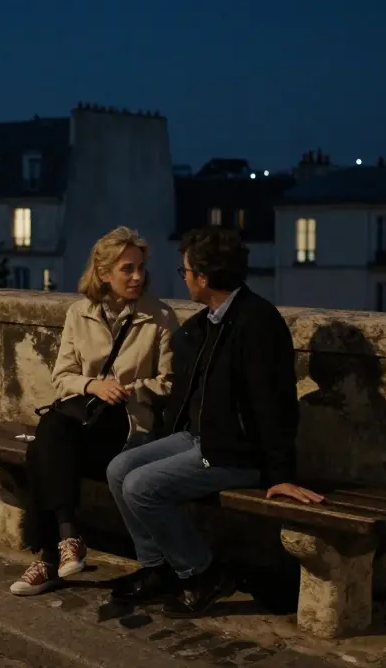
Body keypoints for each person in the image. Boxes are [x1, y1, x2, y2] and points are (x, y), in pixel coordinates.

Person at [104, 226, 325, 617]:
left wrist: (279, 473)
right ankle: (157, 568)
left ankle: (202, 573)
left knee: (142, 486)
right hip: (200, 440)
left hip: (235, 453)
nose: (184, 277)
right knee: (120, 468)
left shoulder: (256, 323)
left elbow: (274, 405)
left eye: (185, 271)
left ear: (203, 278)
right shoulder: (207, 323)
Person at [10, 227, 179, 597]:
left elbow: (168, 384)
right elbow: (63, 376)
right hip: (83, 419)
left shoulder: (160, 317)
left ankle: (51, 558)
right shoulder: (79, 313)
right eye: (127, 269)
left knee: (47, 442)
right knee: (50, 440)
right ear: (104, 273)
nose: (137, 277)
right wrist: (92, 386)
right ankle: (66, 540)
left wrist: (126, 390)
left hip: (129, 424)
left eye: (140, 268)